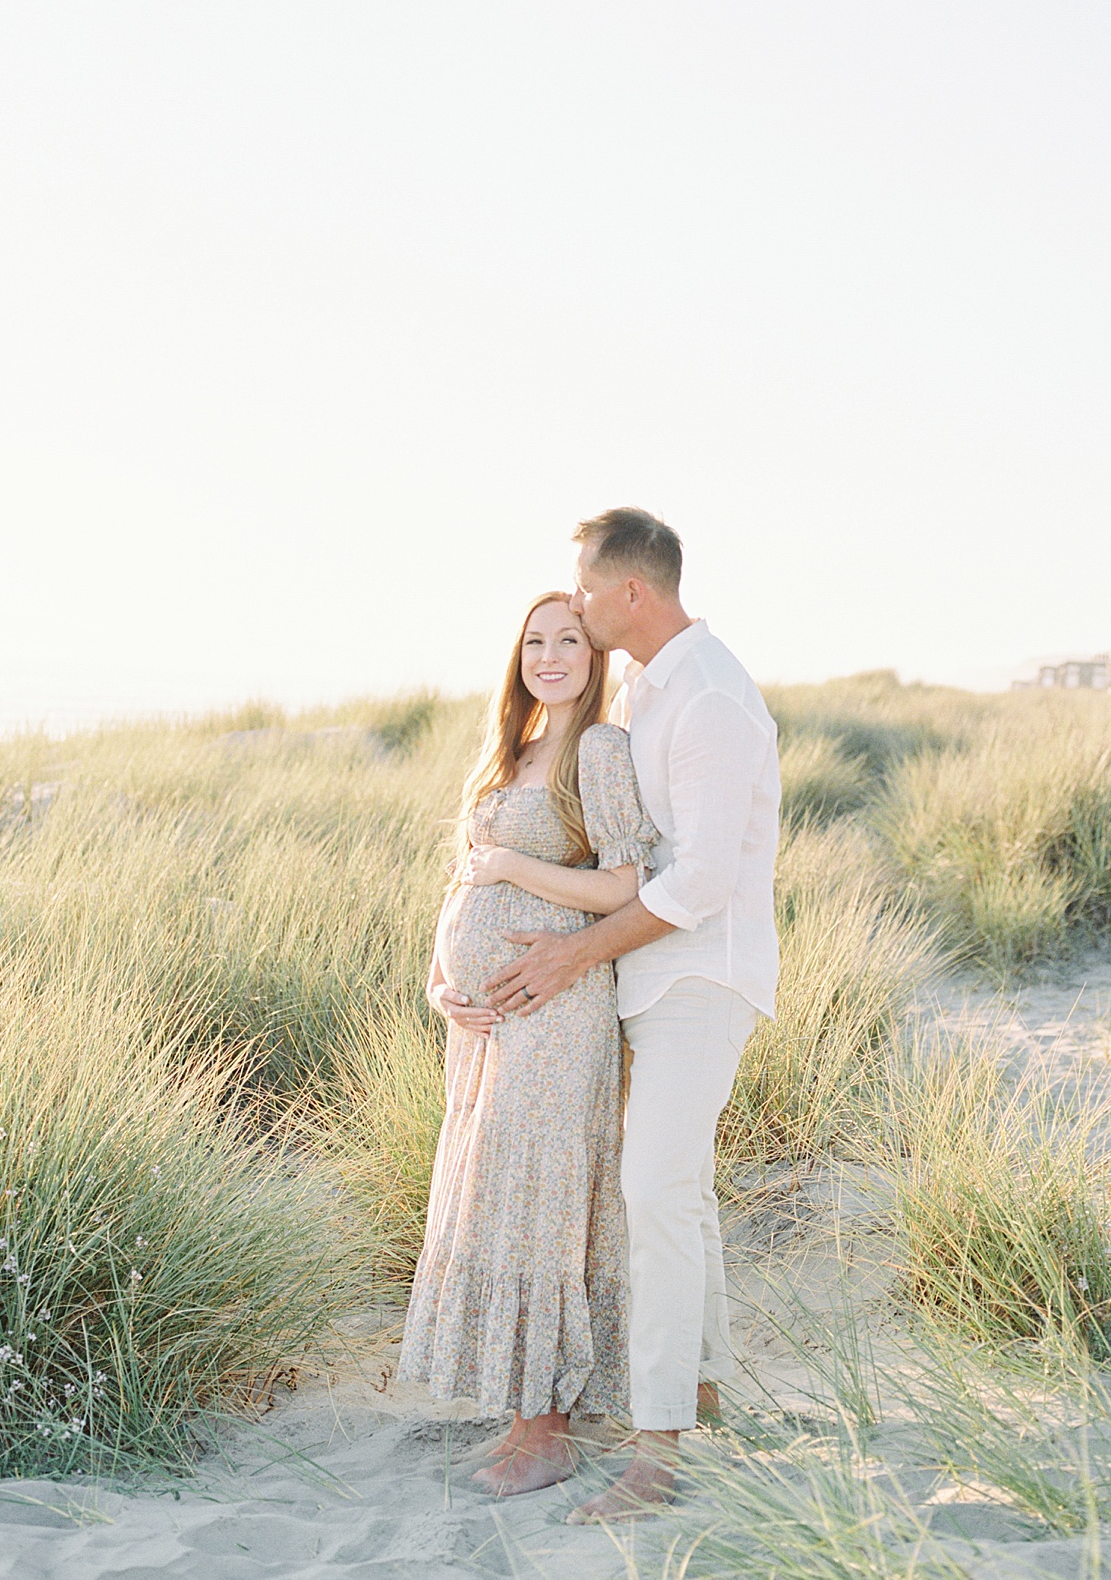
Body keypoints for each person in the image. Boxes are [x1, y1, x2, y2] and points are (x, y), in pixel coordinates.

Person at [484, 508, 781, 1522]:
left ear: (631, 595)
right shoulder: (651, 691)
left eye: (582, 590)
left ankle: (658, 1448)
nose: (570, 604)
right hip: (649, 980)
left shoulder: (709, 698)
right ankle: (698, 1389)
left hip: (702, 977)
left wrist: (572, 953)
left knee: (651, 1187)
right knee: (679, 1192)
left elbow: (695, 879)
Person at [397, 591, 658, 1496]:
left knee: (538, 1203)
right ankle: (522, 1421)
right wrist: (442, 981)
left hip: (557, 1008)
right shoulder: (511, 747)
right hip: (487, 1023)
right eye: (535, 640)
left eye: (569, 640)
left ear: (597, 655)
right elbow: (461, 879)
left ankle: (548, 1433)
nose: (550, 655)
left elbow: (627, 884)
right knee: (497, 1201)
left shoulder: (600, 748)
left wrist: (511, 867)